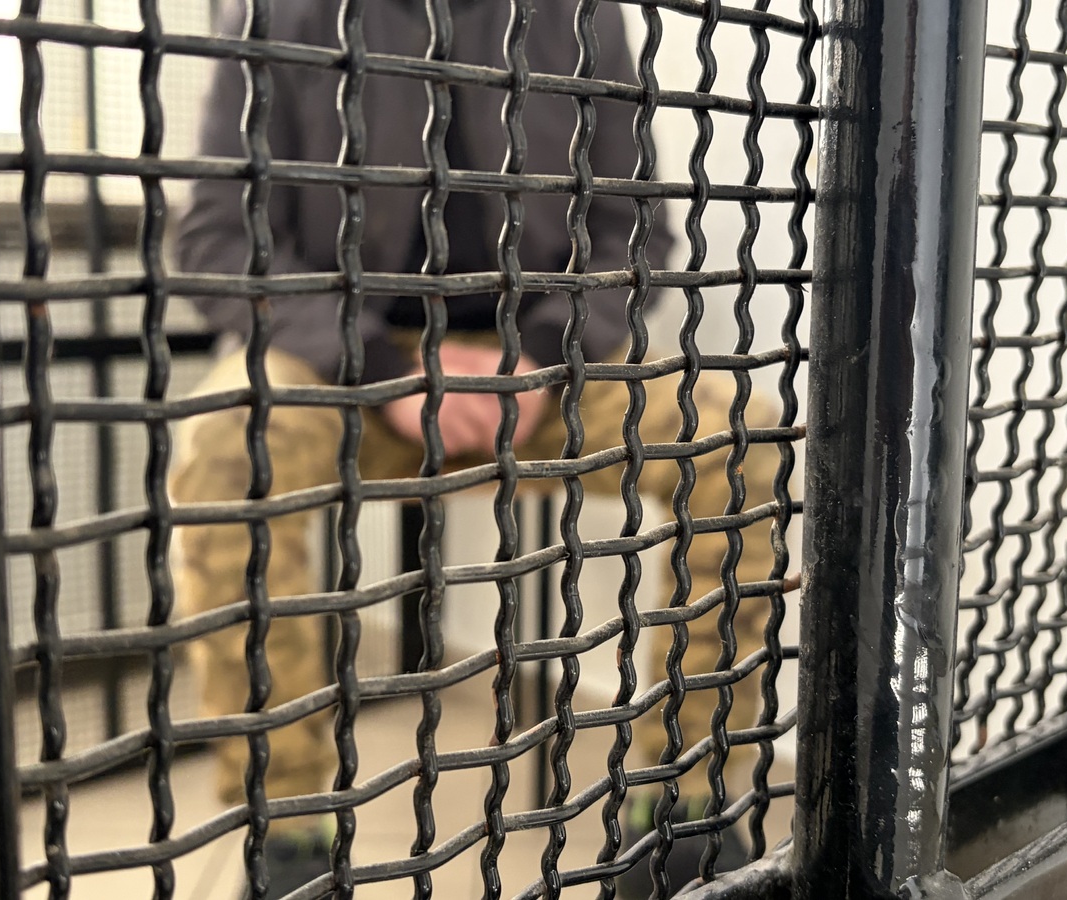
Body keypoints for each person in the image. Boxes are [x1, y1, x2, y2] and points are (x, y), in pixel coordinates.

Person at [169, 1, 781, 896]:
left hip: (543, 360)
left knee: (742, 438)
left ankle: (682, 812)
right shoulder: (278, 11)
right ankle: (290, 836)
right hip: (346, 360)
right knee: (227, 451)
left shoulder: (581, 14)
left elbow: (637, 231)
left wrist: (534, 357)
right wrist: (387, 366)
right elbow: (215, 238)